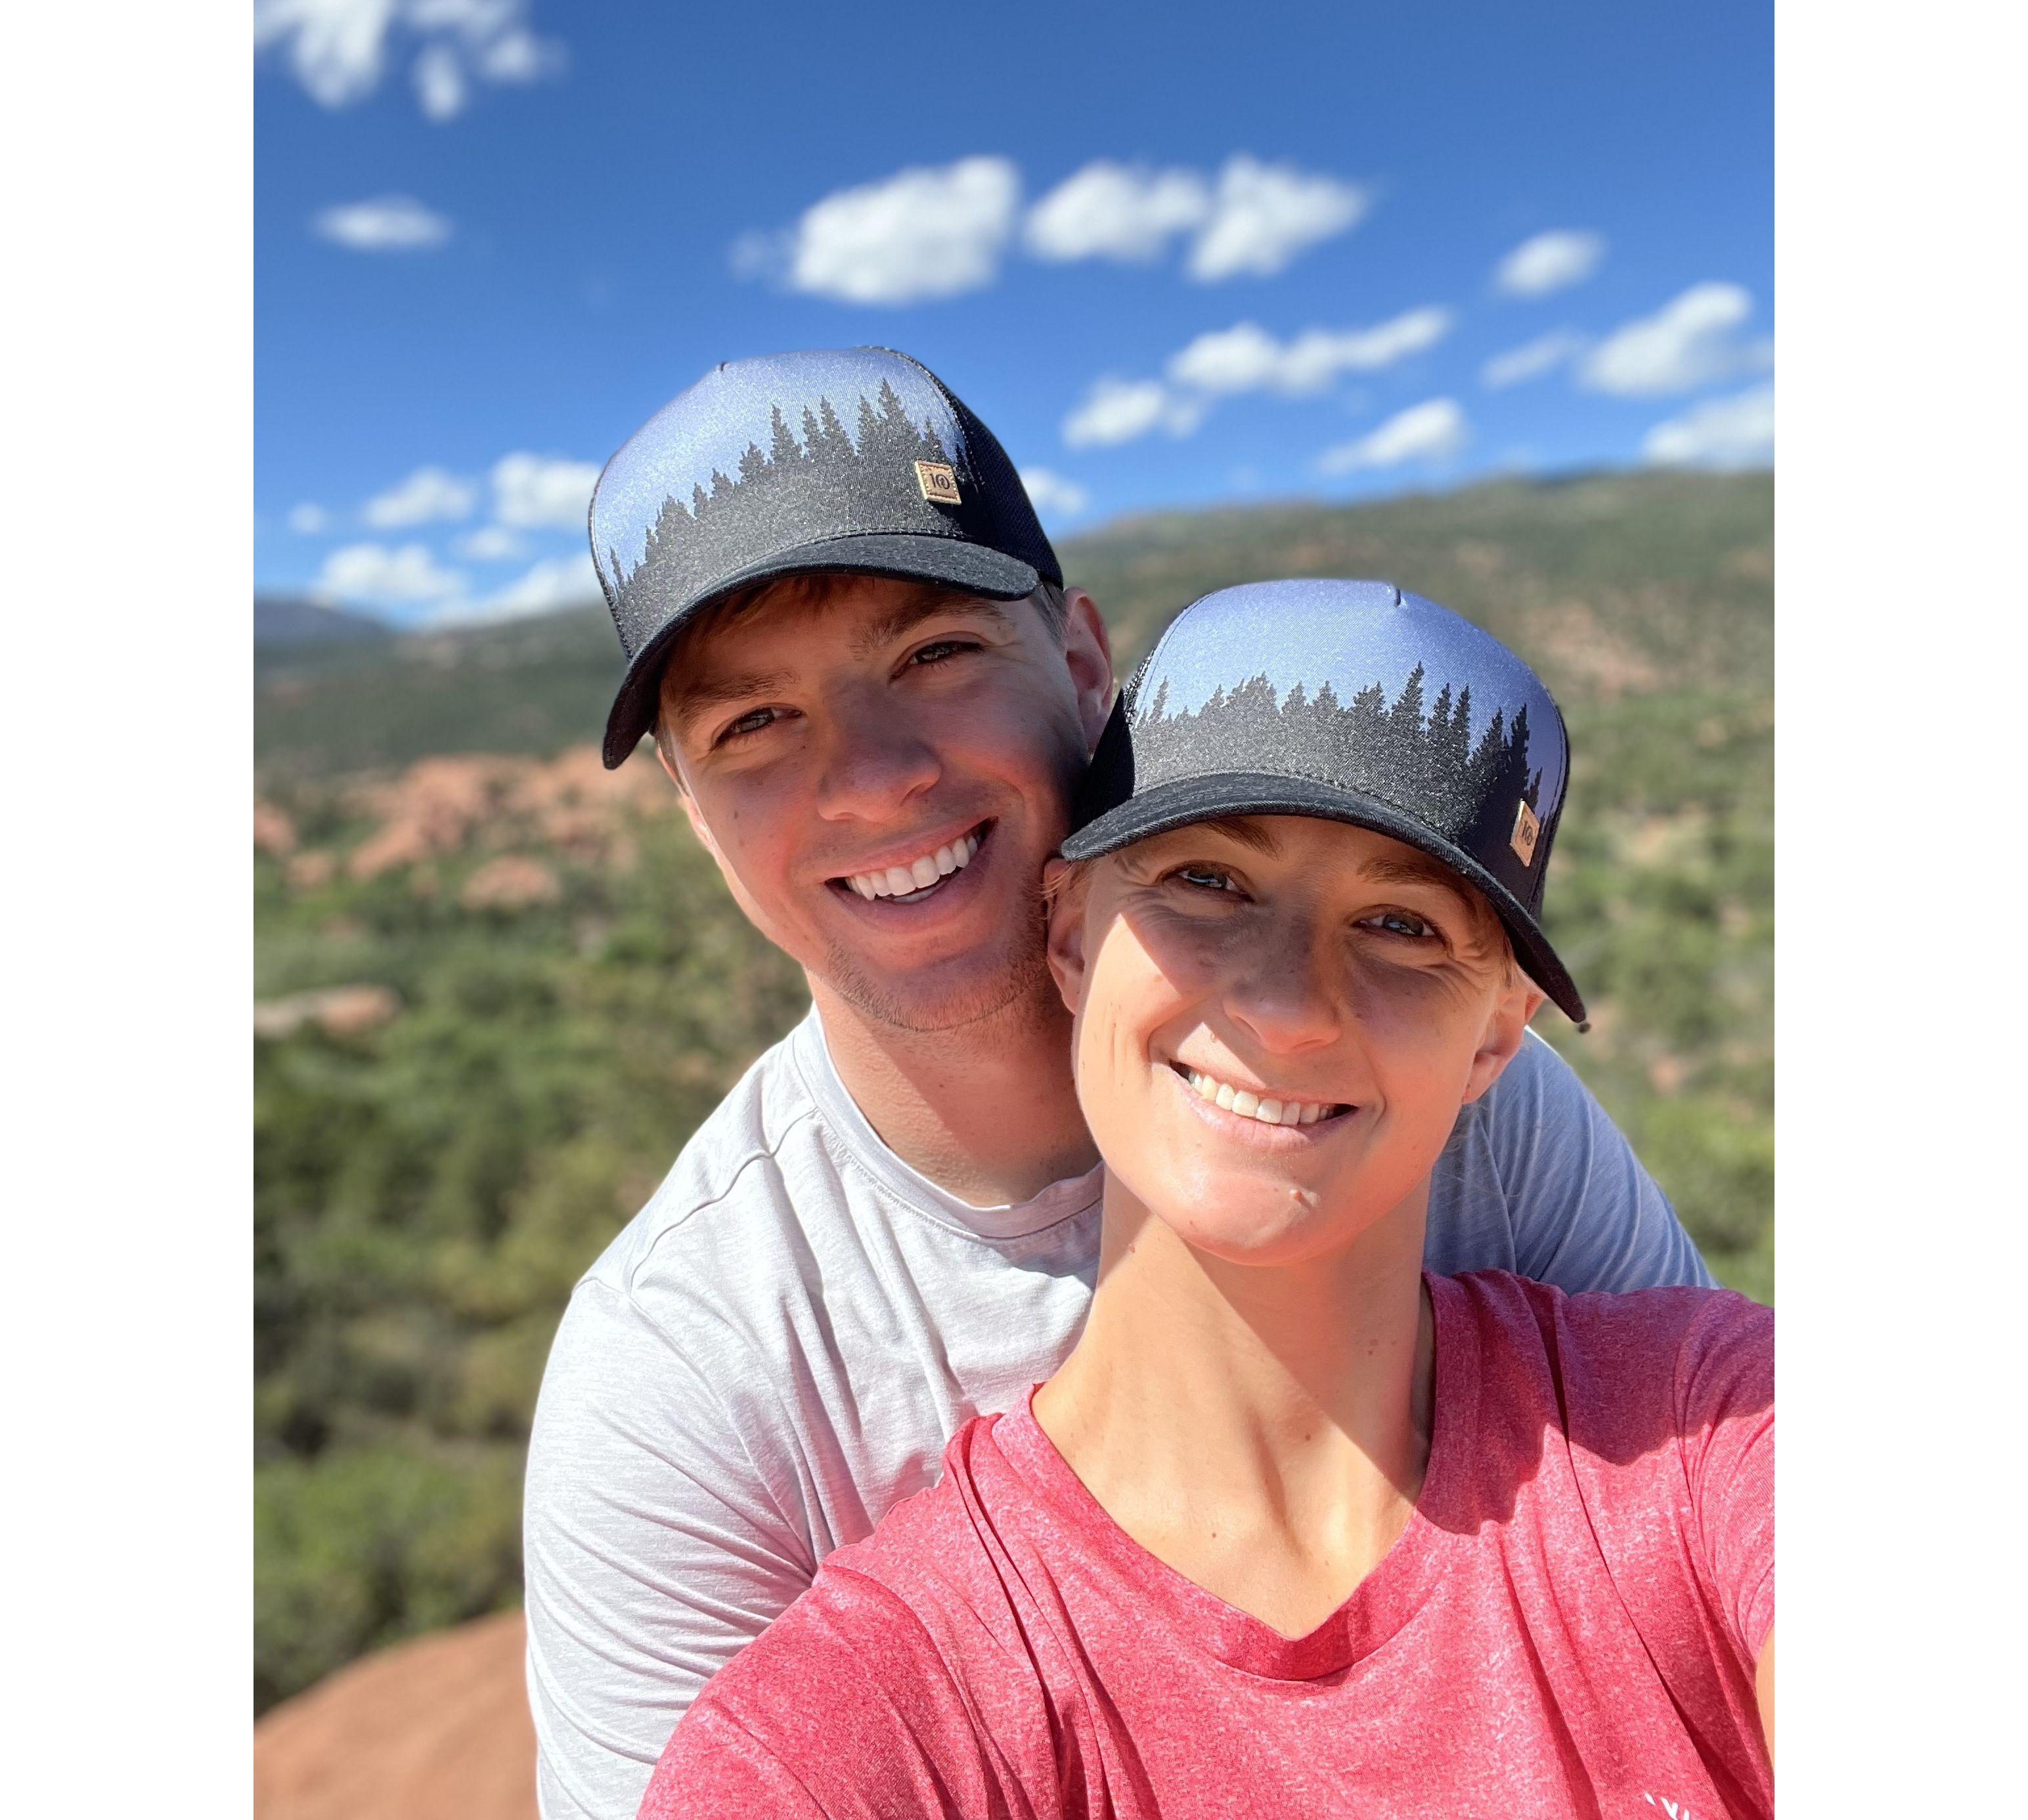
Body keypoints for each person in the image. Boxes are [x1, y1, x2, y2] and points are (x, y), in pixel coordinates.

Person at [523, 349, 1715, 1819]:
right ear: (696, 816)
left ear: (1085, 666)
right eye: (749, 725)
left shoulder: (1467, 1108)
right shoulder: (683, 1375)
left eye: (932, 655)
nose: (875, 775)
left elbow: (1703, 1489)